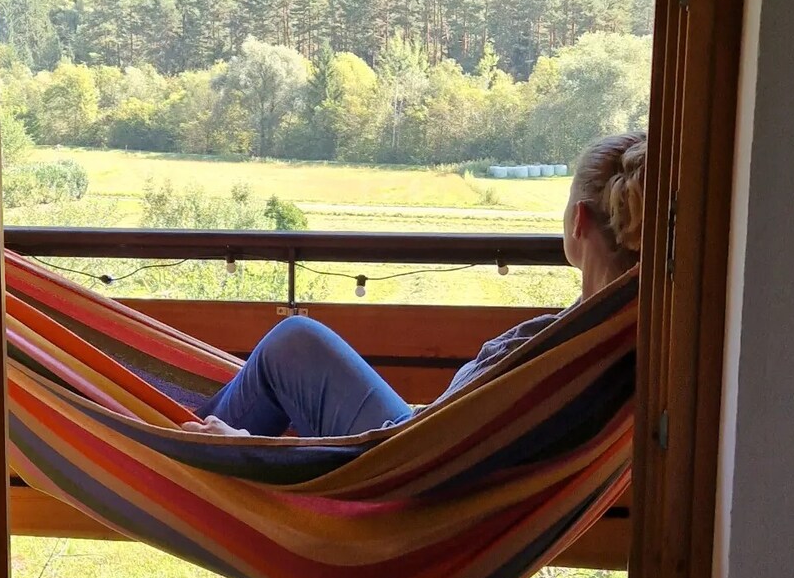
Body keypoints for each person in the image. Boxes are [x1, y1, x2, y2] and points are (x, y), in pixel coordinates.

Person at [185, 132, 648, 438]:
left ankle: (189, 440)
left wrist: (248, 447)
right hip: (422, 460)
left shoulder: (555, 348)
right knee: (291, 346)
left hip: (400, 481)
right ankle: (190, 428)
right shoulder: (614, 333)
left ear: (579, 222)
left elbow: (405, 456)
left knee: (293, 340)